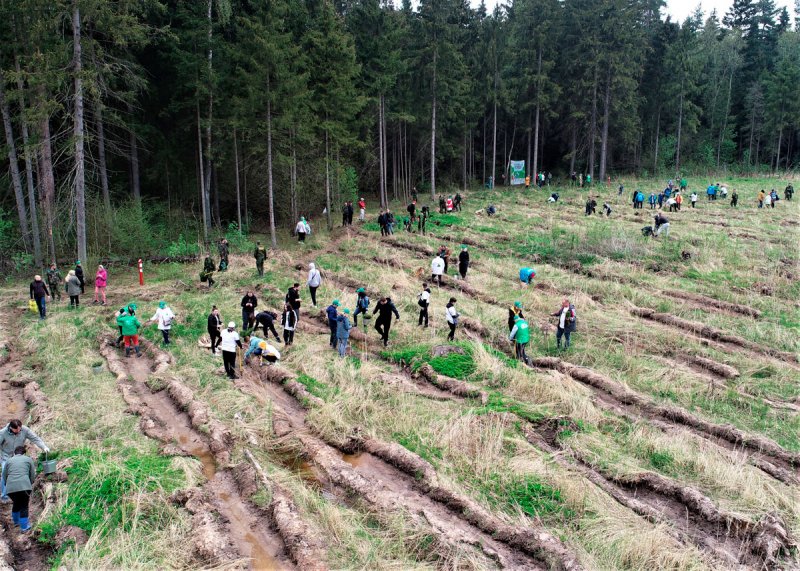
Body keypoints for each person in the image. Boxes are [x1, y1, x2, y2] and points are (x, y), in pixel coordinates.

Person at [0, 420, 47, 505]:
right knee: (4, 472)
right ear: (11, 428)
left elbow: (35, 438)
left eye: (20, 429)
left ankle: (20, 492)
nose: (18, 432)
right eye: (16, 430)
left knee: (21, 472)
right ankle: (4, 497)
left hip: (18, 454)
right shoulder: (3, 433)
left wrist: (44, 447)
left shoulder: (25, 430)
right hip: (6, 456)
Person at [2, 446, 35, 531]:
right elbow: (32, 475)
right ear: (24, 453)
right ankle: (24, 527)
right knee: (24, 505)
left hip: (10, 488)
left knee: (16, 503)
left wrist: (7, 484)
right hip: (24, 486)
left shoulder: (9, 461)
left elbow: (4, 475)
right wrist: (29, 484)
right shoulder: (28, 459)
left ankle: (16, 522)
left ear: (14, 453)